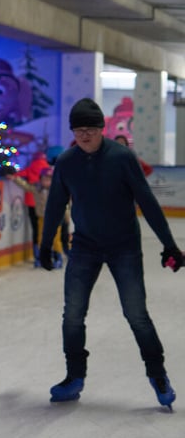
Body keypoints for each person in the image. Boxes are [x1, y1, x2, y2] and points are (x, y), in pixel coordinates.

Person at [39, 97, 183, 409]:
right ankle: (74, 377)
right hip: (85, 247)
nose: (84, 135)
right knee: (73, 315)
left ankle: (157, 375)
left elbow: (147, 201)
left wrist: (169, 244)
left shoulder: (121, 158)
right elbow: (54, 207)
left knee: (136, 314)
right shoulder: (66, 162)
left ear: (102, 129)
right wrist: (45, 245)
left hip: (124, 247)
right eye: (78, 130)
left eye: (90, 129)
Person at [9, 166, 65, 268]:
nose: (46, 182)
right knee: (41, 237)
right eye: (44, 179)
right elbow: (26, 186)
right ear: (40, 179)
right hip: (42, 217)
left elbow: (65, 203)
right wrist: (15, 179)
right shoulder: (37, 189)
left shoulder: (57, 190)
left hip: (55, 219)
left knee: (56, 239)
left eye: (48, 180)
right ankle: (40, 258)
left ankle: (58, 258)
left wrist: (65, 215)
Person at [14, 152, 52, 265]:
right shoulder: (48, 169)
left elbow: (19, 175)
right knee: (49, 231)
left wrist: (13, 176)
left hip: (31, 203)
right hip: (46, 204)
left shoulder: (30, 168)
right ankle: (51, 254)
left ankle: (37, 256)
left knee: (36, 231)